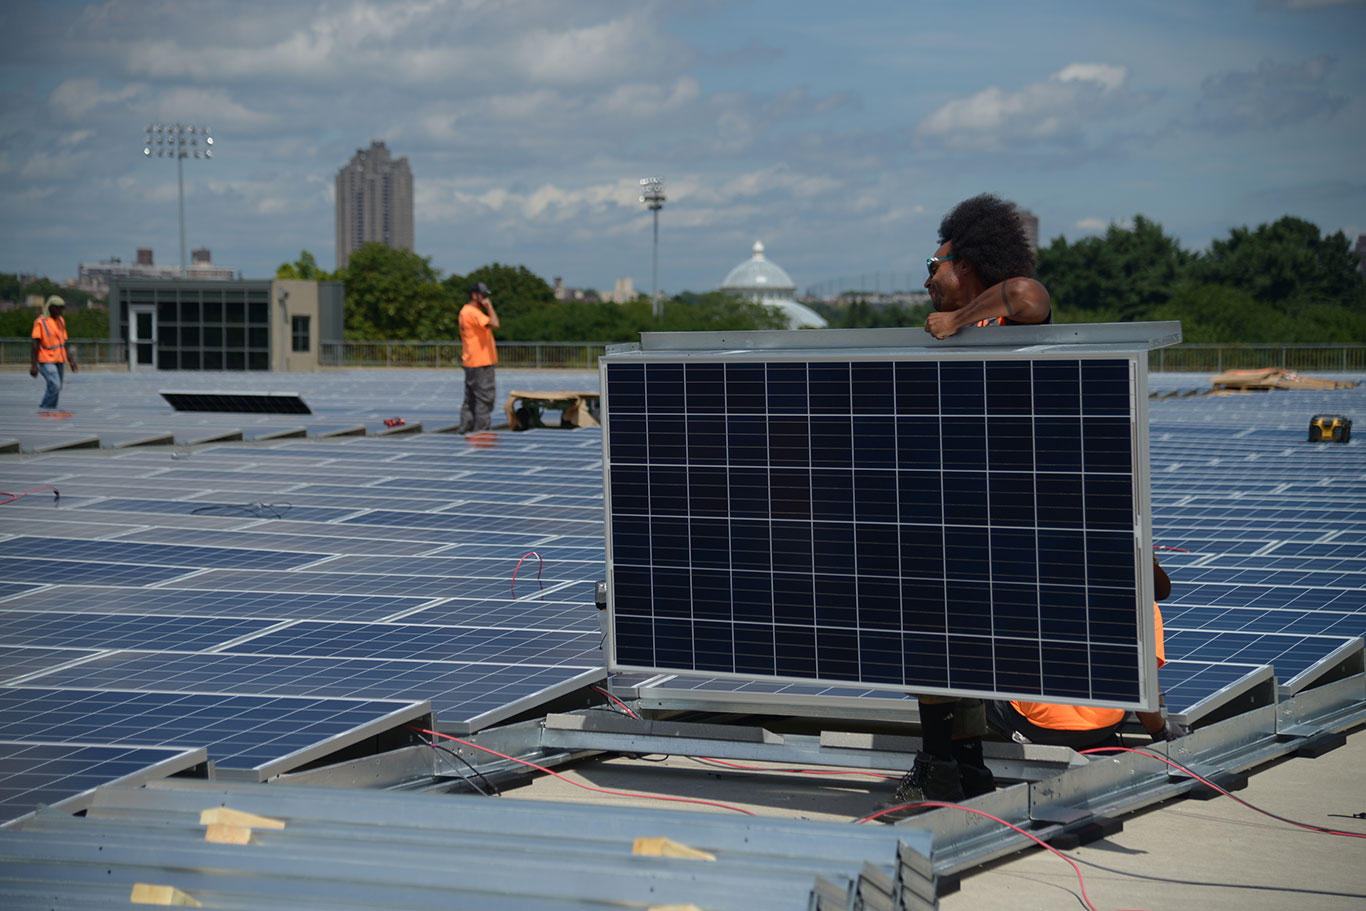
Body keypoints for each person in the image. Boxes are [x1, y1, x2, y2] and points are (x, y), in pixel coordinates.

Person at [886, 194, 1053, 810]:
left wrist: (958, 323)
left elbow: (1029, 294)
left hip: (1001, 514)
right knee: (944, 641)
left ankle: (940, 765)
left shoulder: (1004, 320)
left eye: (936, 264)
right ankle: (961, 764)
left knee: (942, 638)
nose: (927, 279)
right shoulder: (943, 338)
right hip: (954, 511)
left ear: (972, 263)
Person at [986, 556, 1189, 749]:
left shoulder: (1040, 590)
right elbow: (1145, 687)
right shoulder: (1146, 607)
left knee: (976, 671)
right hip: (1101, 729)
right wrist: (1162, 731)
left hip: (1037, 727)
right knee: (1122, 683)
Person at [457, 281, 500, 433]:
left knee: (471, 400)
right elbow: (495, 323)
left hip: (471, 361)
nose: (485, 299)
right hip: (480, 362)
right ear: (474, 295)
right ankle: (481, 433)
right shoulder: (473, 313)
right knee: (484, 400)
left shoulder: (464, 311)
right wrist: (489, 307)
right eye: (483, 296)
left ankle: (466, 428)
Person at [30, 295, 78, 412]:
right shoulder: (40, 322)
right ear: (51, 308)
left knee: (56, 387)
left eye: (62, 308)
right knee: (55, 385)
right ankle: (46, 408)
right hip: (46, 360)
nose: (61, 311)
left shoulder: (61, 321)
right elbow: (35, 344)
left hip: (59, 360)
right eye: (59, 308)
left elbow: (63, 343)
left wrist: (71, 361)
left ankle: (49, 409)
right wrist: (34, 365)